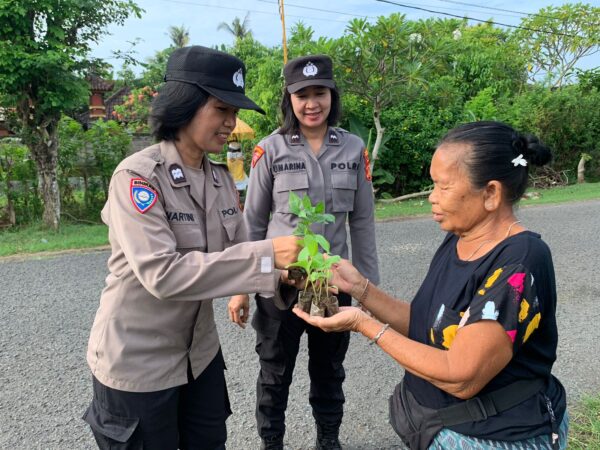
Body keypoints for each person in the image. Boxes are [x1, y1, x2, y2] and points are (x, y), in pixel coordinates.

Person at [294, 121, 569, 450]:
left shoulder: (520, 263)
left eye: (443, 187)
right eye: (432, 185)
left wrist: (362, 323)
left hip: (488, 437)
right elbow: (430, 324)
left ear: (492, 193)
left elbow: (461, 375)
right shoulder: (459, 239)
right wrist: (360, 288)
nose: (431, 197)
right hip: (437, 426)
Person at [82, 46, 300, 450]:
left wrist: (296, 274)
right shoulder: (138, 178)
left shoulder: (219, 179)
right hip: (138, 363)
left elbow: (238, 251)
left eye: (234, 113)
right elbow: (162, 275)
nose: (231, 123)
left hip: (199, 357)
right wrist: (269, 256)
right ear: (185, 105)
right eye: (221, 109)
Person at [227, 55, 380, 450]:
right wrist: (242, 286)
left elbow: (362, 223)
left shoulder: (352, 147)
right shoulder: (270, 150)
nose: (312, 103)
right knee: (274, 373)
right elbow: (253, 224)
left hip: (334, 284)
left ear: (332, 95)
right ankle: (271, 443)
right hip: (280, 285)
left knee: (330, 370)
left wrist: (369, 293)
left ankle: (328, 441)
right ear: (289, 100)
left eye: (320, 93)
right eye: (302, 95)